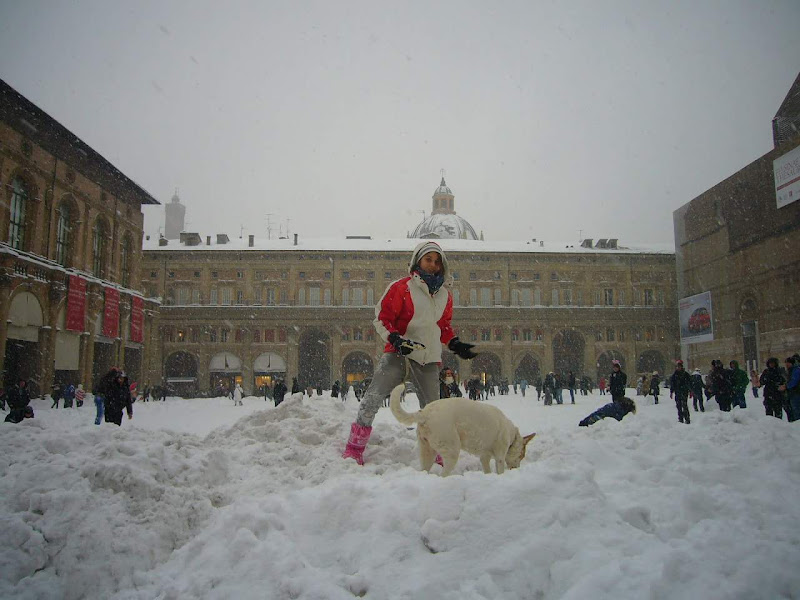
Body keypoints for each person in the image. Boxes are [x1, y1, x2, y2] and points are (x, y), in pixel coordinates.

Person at [342, 241, 476, 465]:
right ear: (418, 261)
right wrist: (395, 338)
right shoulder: (401, 287)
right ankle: (354, 447)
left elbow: (442, 326)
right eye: (428, 260)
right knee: (374, 397)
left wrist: (454, 343)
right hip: (398, 353)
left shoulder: (445, 296)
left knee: (433, 410)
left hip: (428, 358)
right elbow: (382, 318)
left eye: (437, 261)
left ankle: (435, 451)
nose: (433, 265)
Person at [669, 359, 692, 424]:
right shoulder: (674, 375)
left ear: (681, 367)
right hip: (678, 392)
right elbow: (672, 384)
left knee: (684, 405)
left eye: (679, 366)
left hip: (684, 392)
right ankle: (680, 418)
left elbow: (689, 383)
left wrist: (690, 391)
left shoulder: (685, 374)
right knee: (678, 406)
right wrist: (671, 392)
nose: (678, 368)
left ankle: (687, 418)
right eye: (677, 367)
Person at [784, 356, 800, 421]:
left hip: (796, 393)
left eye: (788, 363)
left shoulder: (796, 370)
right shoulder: (790, 370)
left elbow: (794, 381)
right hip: (792, 393)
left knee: (796, 410)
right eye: (786, 362)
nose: (786, 364)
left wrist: (786, 386)